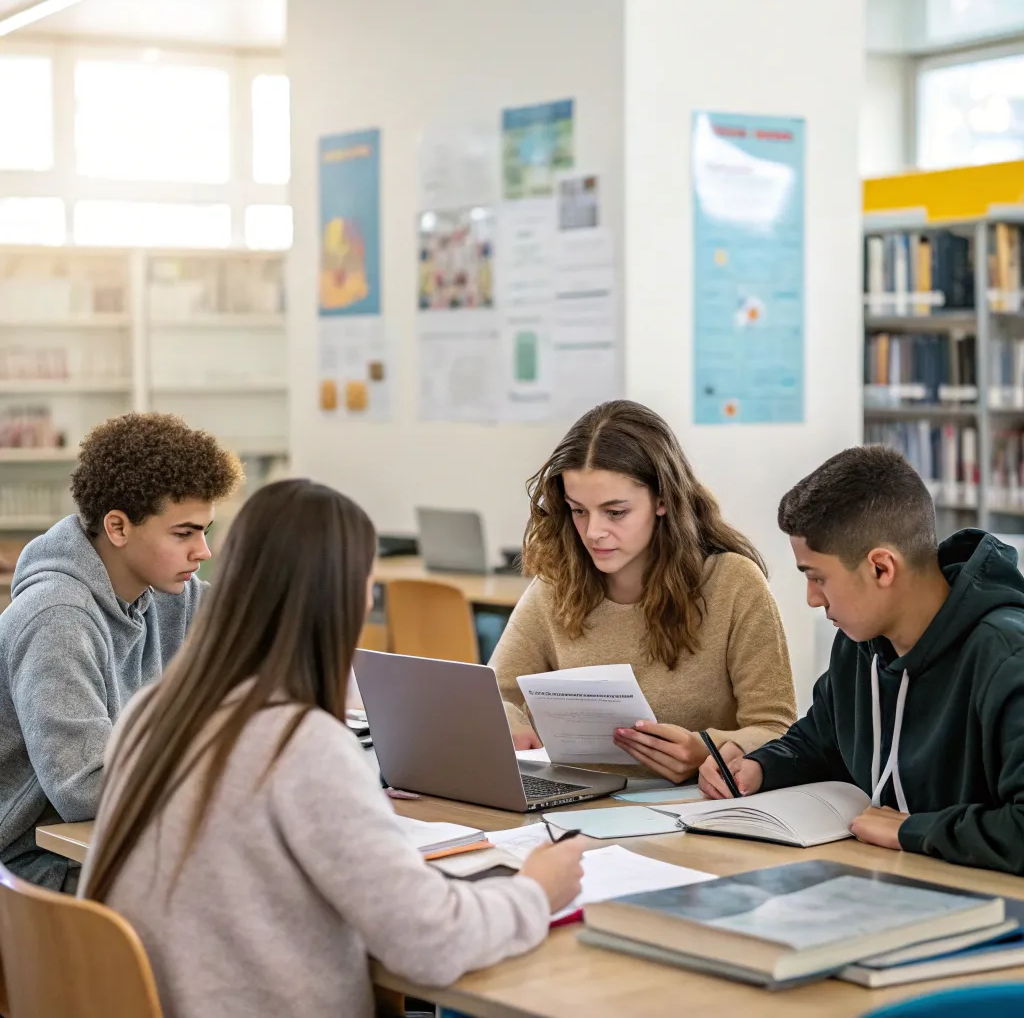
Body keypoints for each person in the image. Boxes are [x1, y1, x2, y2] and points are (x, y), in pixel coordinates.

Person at [79, 479, 586, 1018]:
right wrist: (536, 890)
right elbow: (431, 942)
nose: (368, 599)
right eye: (366, 582)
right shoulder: (300, 747)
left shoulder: (152, 712)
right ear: (344, 596)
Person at [698, 445, 1024, 876]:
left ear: (882, 569)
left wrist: (912, 831)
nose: (813, 599)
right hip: (888, 881)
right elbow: (822, 740)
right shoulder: (861, 641)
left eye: (817, 578)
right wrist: (761, 765)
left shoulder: (1005, 657)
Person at [491, 400, 797, 783]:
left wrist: (708, 750)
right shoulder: (556, 583)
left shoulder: (733, 583)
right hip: (575, 806)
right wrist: (508, 720)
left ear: (663, 500)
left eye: (615, 512)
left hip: (690, 812)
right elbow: (495, 696)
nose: (593, 532)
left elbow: (777, 729)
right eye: (578, 510)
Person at [0, 412, 243, 891]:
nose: (203, 552)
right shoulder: (57, 618)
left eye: (205, 532)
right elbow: (88, 788)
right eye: (184, 533)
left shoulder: (170, 593)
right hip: (37, 867)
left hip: (110, 844)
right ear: (117, 527)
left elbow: (263, 643)